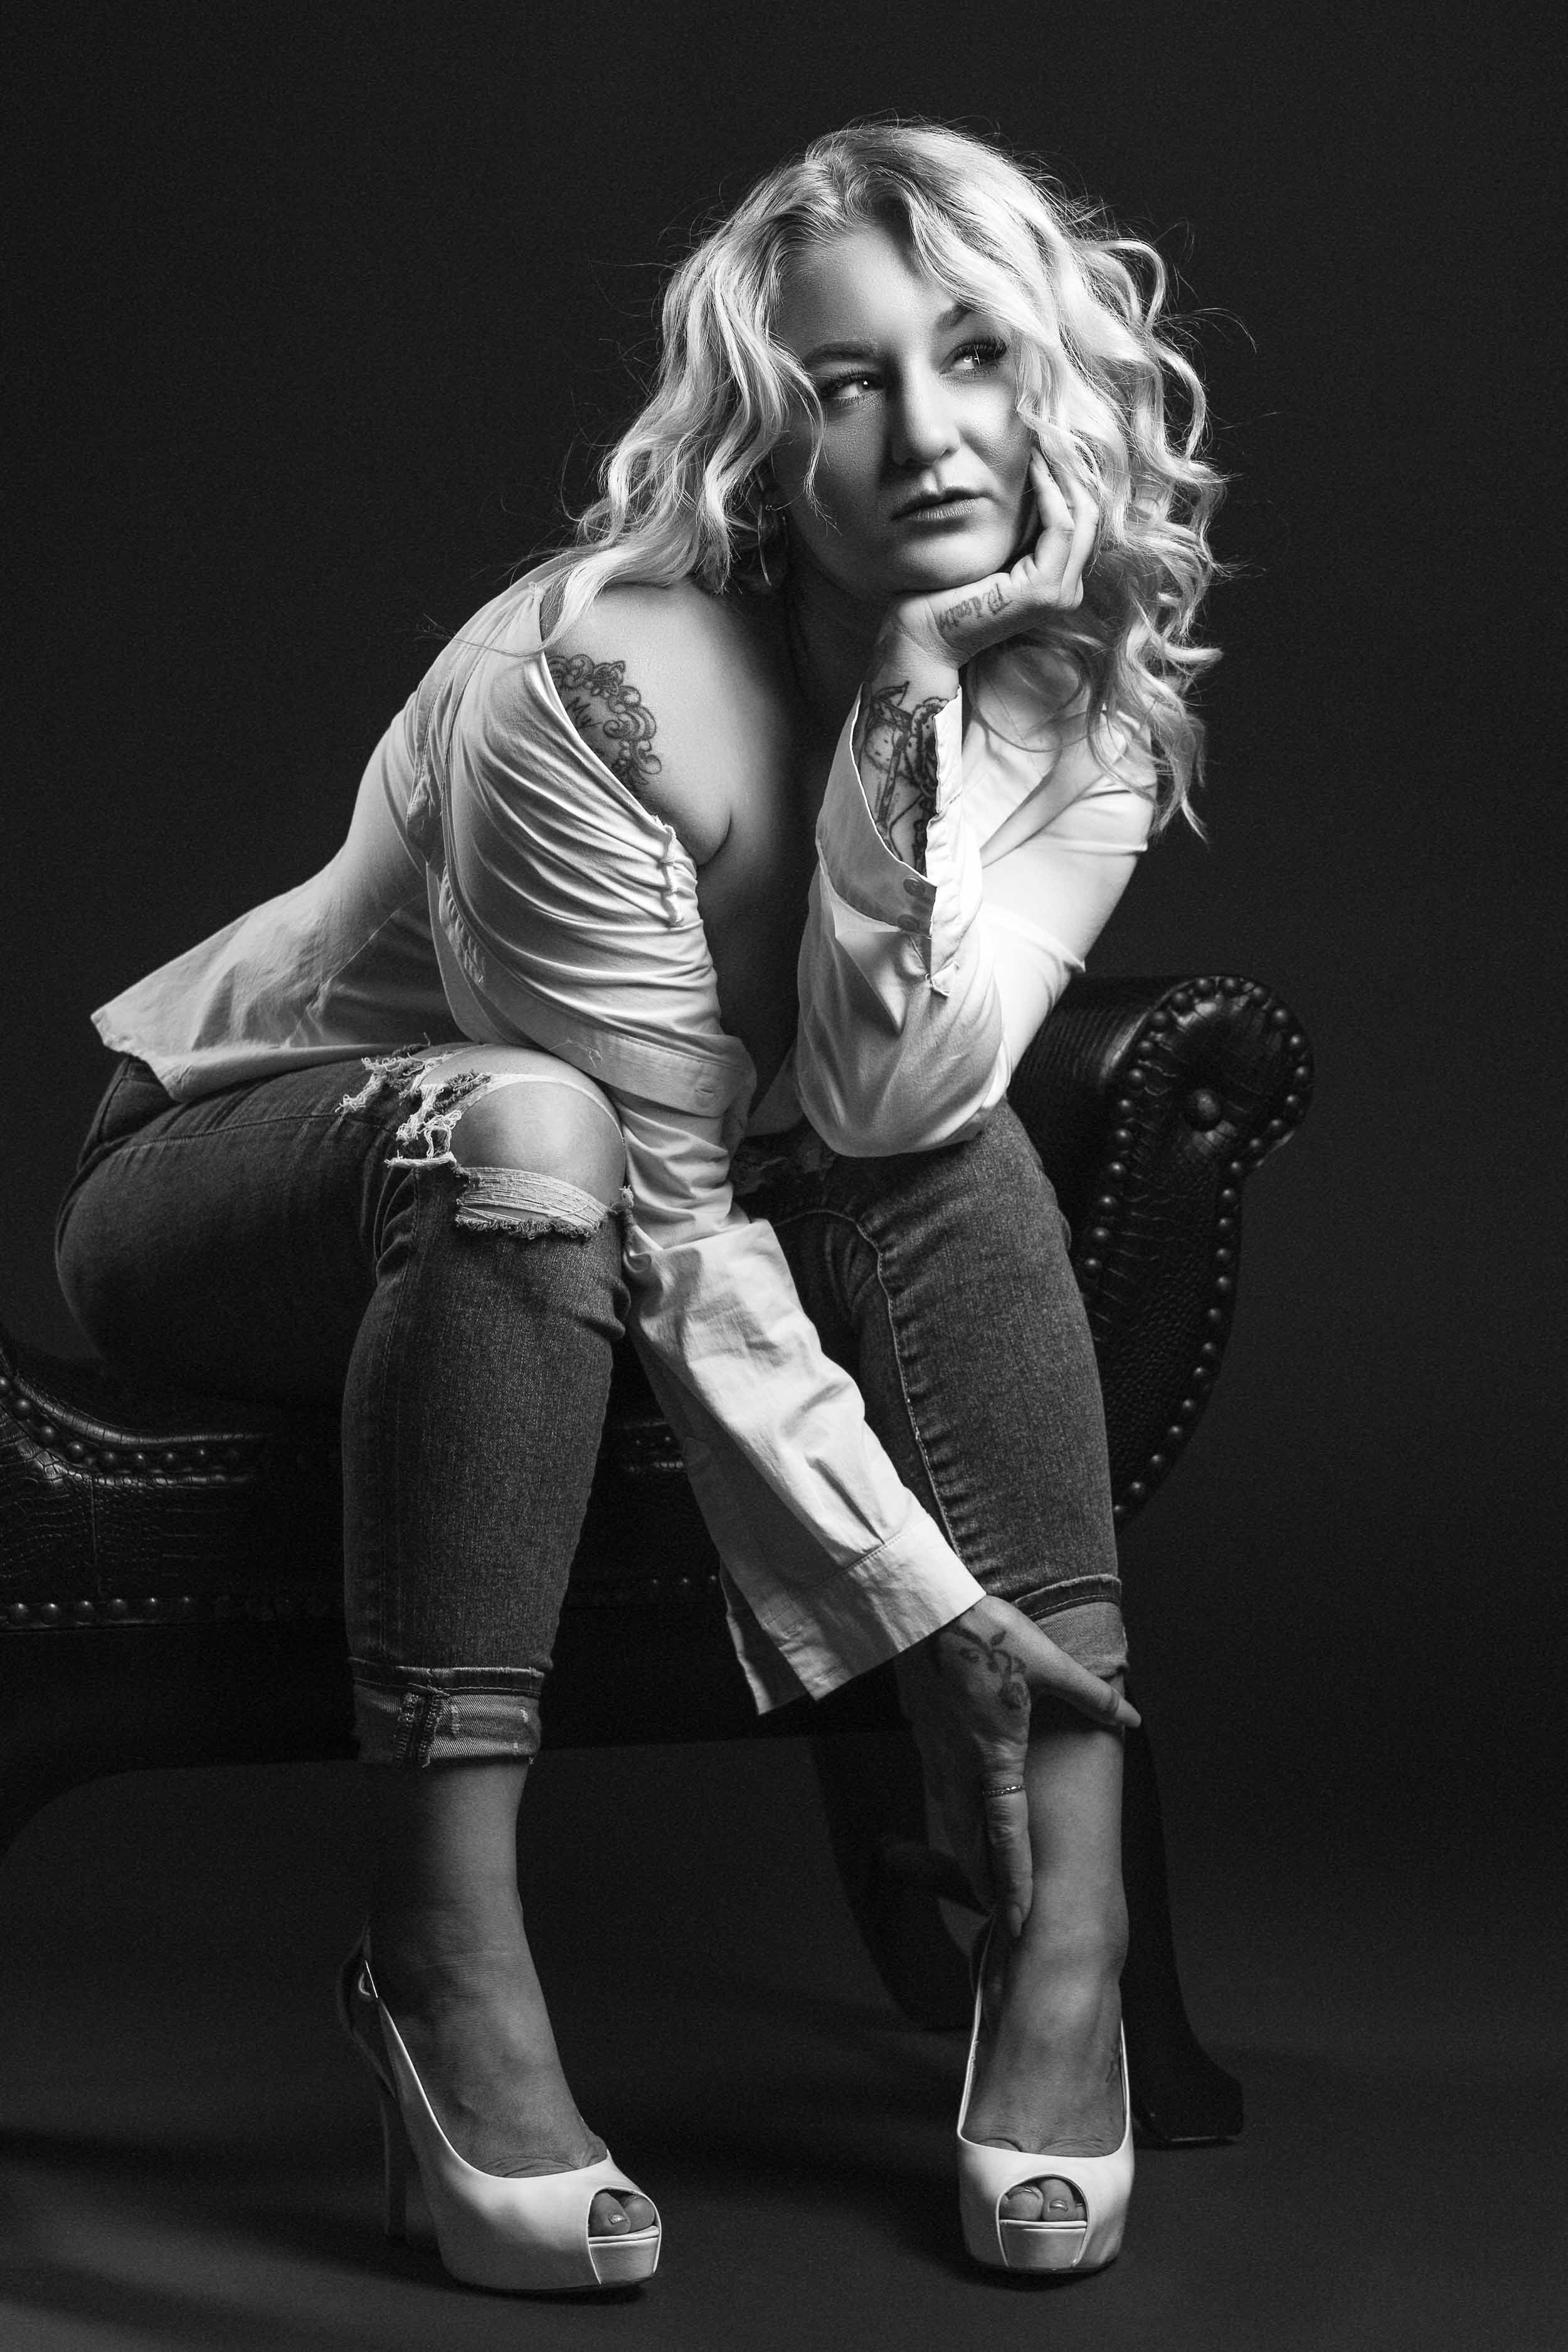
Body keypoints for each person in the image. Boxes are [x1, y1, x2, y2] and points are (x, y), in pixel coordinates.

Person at [54, 119, 1222, 2289]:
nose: (927, 431)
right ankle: (442, 1963)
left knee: (953, 1152)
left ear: (1054, 369)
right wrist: (906, 1604)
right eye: (846, 383)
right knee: (531, 1136)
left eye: (974, 353)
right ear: (768, 436)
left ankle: (1063, 1932)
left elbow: (888, 1097)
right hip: (238, 1185)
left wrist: (908, 700)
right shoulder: (584, 673)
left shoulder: (1077, 715)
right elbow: (665, 1207)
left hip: (659, 1182)